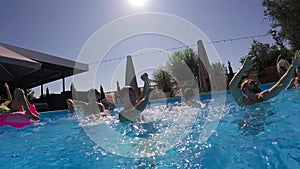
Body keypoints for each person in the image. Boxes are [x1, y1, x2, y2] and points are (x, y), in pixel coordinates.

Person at [229, 50, 300, 106]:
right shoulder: (243, 102)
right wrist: (243, 68)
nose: (256, 83)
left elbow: (281, 85)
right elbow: (232, 86)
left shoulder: (263, 97)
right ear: (245, 90)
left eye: (255, 82)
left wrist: (292, 66)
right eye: (252, 83)